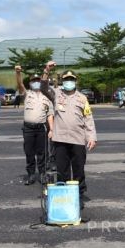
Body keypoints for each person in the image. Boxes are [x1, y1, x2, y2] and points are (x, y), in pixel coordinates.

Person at [43, 65, 97, 208]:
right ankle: (65, 197)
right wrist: (46, 71)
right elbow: (43, 88)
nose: (69, 81)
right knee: (62, 170)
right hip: (60, 140)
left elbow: (88, 118)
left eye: (71, 79)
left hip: (78, 139)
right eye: (66, 79)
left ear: (75, 81)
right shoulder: (56, 94)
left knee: (79, 169)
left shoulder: (82, 98)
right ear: (62, 81)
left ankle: (78, 196)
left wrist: (91, 136)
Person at [15, 65, 54, 185]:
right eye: (33, 81)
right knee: (29, 152)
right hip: (28, 128)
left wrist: (51, 129)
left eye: (38, 81)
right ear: (30, 83)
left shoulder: (47, 96)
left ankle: (43, 174)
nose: (36, 83)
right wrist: (18, 73)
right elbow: (20, 85)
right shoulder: (27, 94)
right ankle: (31, 174)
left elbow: (50, 114)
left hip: (41, 128)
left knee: (42, 153)